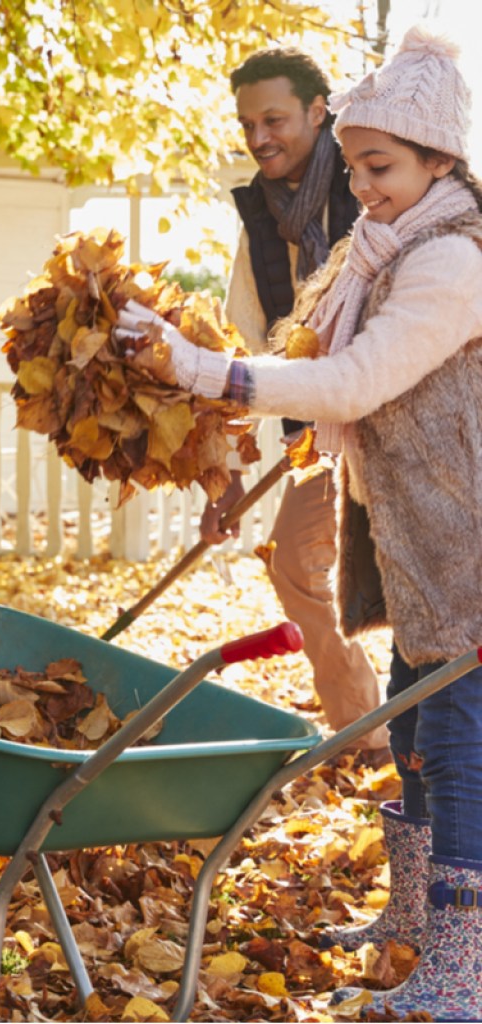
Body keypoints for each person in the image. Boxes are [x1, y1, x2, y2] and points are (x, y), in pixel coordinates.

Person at [118, 27, 482, 1020]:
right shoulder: (381, 250)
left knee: (454, 744)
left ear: (438, 162)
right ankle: (414, 916)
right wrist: (229, 454)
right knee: (412, 728)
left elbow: (354, 380)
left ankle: (465, 967)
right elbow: (307, 361)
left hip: (468, 549)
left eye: (379, 168)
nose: (360, 188)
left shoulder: (449, 263)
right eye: (357, 167)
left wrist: (201, 372)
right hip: (420, 546)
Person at [207, 45, 390, 762]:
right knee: (293, 563)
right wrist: (224, 474)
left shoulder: (377, 184)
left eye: (275, 119)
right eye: (248, 123)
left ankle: (438, 745)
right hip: (321, 439)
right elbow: (239, 355)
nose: (259, 139)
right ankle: (365, 733)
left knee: (419, 581)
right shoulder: (258, 224)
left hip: (402, 423)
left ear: (320, 112)